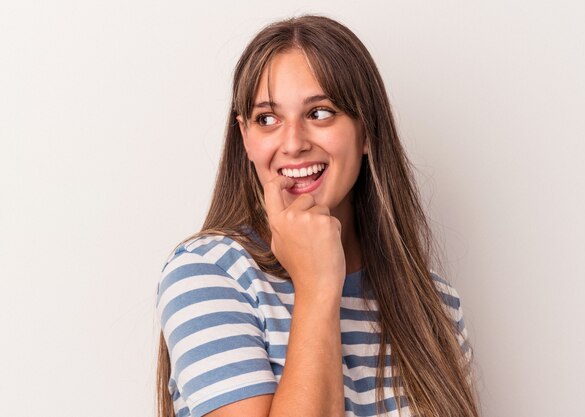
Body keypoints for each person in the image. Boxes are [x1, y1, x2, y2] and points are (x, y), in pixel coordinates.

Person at [156, 15, 479, 417]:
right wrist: (317, 284)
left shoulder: (434, 306)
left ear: (366, 132)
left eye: (320, 113)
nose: (292, 144)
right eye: (267, 119)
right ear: (245, 138)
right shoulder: (209, 274)